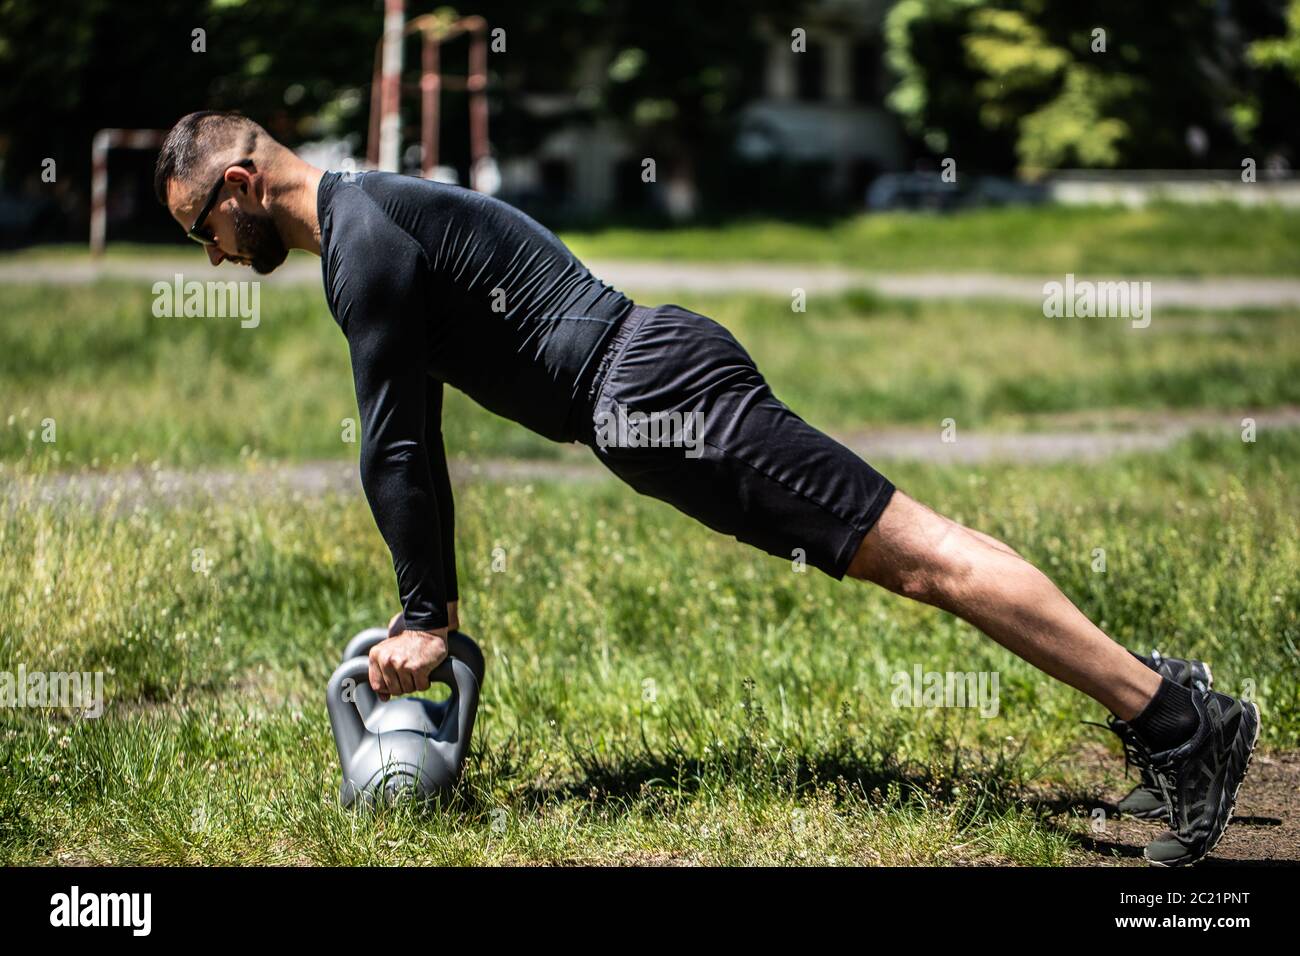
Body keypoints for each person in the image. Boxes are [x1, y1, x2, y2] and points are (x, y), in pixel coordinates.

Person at [154, 111, 1259, 866]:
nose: (210, 253)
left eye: (201, 226)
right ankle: (1163, 709)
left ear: (240, 184)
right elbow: (413, 441)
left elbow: (395, 449)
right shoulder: (367, 220)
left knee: (918, 554)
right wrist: (428, 604)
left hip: (652, 392)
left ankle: (1176, 718)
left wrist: (426, 618)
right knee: (904, 556)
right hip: (645, 397)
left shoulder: (362, 241)